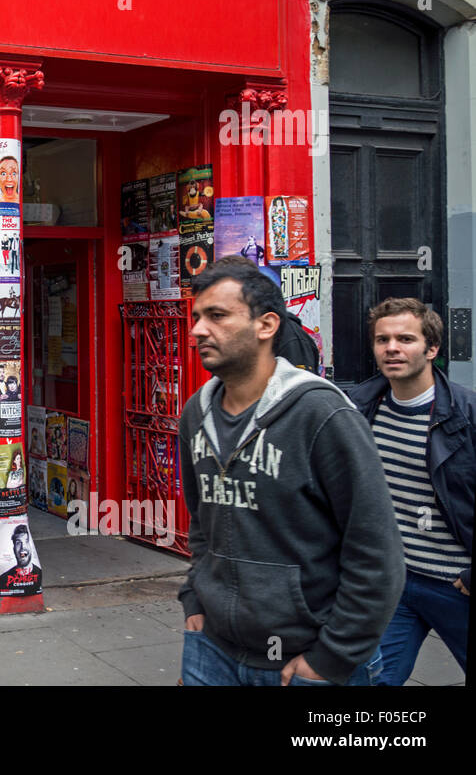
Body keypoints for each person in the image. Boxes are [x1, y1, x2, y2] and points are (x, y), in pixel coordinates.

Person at [178, 257, 403, 685]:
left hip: (305, 659)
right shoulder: (196, 413)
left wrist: (333, 657)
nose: (198, 330)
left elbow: (376, 550)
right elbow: (201, 522)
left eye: (217, 316)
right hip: (212, 648)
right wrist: (195, 599)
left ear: (266, 325)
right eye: (197, 317)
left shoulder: (323, 414)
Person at [347, 298, 473, 686]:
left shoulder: (466, 415)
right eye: (382, 340)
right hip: (394, 582)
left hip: (457, 584)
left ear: (431, 349)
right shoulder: (360, 408)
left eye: (405, 338)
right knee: (370, 681)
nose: (392, 348)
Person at [0, 523, 42, 593]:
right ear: (13, 548)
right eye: (18, 543)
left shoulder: (39, 573)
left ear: (31, 546)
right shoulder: (3, 578)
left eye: (26, 541)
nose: (23, 547)